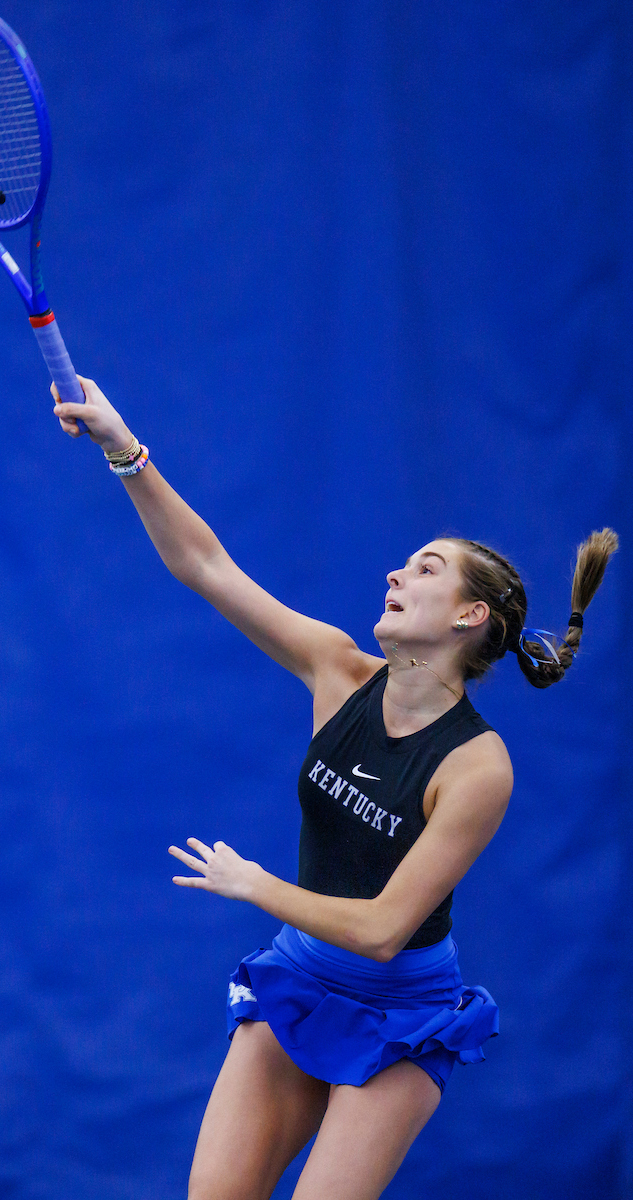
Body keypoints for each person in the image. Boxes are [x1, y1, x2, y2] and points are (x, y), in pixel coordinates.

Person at [52, 378, 618, 1200]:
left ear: (469, 617)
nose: (396, 572)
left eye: (425, 569)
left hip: (403, 1012)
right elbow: (204, 565)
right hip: (301, 977)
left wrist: (257, 886)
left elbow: (385, 931)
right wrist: (122, 447)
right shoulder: (336, 669)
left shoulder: (477, 767)